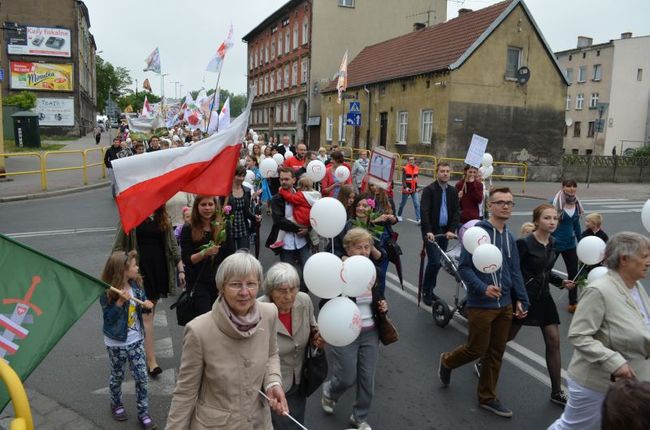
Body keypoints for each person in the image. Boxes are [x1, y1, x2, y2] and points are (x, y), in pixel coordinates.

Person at [166, 252, 288, 429]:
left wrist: (273, 382)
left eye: (251, 284)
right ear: (221, 287)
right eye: (236, 284)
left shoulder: (269, 313)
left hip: (259, 423)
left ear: (259, 285)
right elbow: (185, 393)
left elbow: (271, 354)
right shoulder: (199, 330)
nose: (244, 292)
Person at [438, 187, 529, 418]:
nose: (506, 206)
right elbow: (465, 268)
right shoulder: (478, 233)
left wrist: (521, 299)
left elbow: (514, 270)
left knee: (496, 352)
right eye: (500, 202)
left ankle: (487, 397)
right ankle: (447, 362)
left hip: (506, 304)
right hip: (481, 305)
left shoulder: (509, 236)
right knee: (476, 348)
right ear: (490, 206)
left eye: (510, 202)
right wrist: (483, 287)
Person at [549, 232, 650, 430]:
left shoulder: (636, 286)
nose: (648, 262)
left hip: (635, 379)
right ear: (624, 259)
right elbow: (578, 335)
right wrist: (614, 362)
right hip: (598, 383)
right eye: (645, 256)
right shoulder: (599, 290)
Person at [321, 228, 388, 430]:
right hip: (345, 332)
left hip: (370, 332)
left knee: (367, 380)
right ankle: (330, 391)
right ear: (348, 249)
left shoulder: (373, 271)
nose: (364, 251)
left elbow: (378, 296)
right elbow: (324, 303)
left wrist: (383, 304)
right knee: (347, 377)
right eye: (358, 247)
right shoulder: (339, 274)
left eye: (367, 247)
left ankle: (359, 417)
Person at [507, 203, 575, 405]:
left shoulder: (553, 243)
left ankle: (556, 391)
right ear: (536, 221)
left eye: (555, 218)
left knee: (553, 341)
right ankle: (485, 360)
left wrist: (560, 282)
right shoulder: (524, 244)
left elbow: (545, 271)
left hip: (543, 297)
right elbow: (514, 273)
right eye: (547, 218)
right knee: (507, 336)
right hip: (524, 297)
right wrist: (518, 299)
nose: (552, 221)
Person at [112, 206, 183, 377]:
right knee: (146, 315)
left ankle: (139, 347)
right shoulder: (130, 216)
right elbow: (117, 248)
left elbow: (172, 245)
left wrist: (180, 269)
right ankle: (151, 361)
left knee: (147, 313)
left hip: (158, 271)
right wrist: (118, 274)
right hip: (137, 273)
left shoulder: (162, 215)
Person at [258, 263, 324, 430]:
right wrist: (272, 384)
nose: (288, 295)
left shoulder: (304, 301)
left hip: (299, 379)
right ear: (270, 291)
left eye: (292, 289)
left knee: (297, 423)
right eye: (281, 290)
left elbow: (312, 327)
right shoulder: (259, 310)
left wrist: (318, 339)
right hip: (272, 386)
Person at [100, 251, 156, 429]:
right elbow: (109, 319)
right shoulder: (108, 292)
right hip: (116, 344)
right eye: (133, 265)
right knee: (117, 376)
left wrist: (146, 306)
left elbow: (141, 307)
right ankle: (116, 403)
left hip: (136, 341)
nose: (137, 267)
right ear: (123, 270)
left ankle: (143, 412)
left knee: (141, 378)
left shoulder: (137, 285)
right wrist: (119, 303)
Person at [180, 196, 234, 316]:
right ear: (197, 207)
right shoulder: (188, 228)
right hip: (198, 281)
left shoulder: (224, 226)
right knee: (205, 318)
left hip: (220, 282)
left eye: (210, 204)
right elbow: (187, 260)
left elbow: (230, 254)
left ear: (215, 206)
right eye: (203, 205)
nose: (207, 208)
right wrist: (204, 253)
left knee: (222, 319)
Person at [420, 162, 460, 305]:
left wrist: (451, 230)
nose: (445, 173)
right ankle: (426, 291)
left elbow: (456, 212)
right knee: (434, 261)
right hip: (432, 232)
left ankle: (431, 289)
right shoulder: (429, 190)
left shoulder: (453, 191)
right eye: (442, 171)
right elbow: (424, 212)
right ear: (436, 172)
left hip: (445, 232)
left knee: (439, 263)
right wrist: (428, 231)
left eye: (447, 171)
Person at [266, 168, 312, 288]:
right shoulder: (276, 199)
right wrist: (299, 229)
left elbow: (312, 215)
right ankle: (290, 296)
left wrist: (308, 229)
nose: (283, 182)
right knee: (287, 275)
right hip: (285, 242)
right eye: (281, 179)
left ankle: (302, 293)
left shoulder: (304, 195)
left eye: (287, 179)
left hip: (302, 241)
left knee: (308, 270)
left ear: (294, 180)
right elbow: (279, 221)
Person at [551, 179, 583, 313]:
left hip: (570, 244)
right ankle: (538, 297)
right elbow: (546, 220)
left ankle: (573, 302)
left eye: (573, 186)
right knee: (543, 270)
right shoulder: (554, 203)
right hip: (554, 242)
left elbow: (576, 225)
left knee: (573, 273)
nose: (571, 189)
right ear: (563, 187)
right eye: (568, 186)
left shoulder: (576, 204)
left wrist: (581, 241)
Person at [271, 175, 321, 250]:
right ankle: (315, 243)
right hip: (309, 220)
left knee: (286, 222)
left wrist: (282, 191)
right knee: (313, 232)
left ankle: (278, 241)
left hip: (300, 219)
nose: (298, 187)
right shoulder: (315, 195)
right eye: (282, 179)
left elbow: (290, 198)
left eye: (299, 185)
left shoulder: (302, 195)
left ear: (303, 187)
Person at [228, 165, 261, 251]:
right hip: (229, 229)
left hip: (243, 227)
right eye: (239, 175)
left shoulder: (247, 191)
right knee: (230, 256)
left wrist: (255, 218)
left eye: (243, 176)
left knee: (244, 254)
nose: (241, 178)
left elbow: (246, 212)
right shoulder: (226, 192)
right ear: (233, 175)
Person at [397, 156, 421, 223]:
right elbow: (403, 180)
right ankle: (399, 215)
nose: (411, 161)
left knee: (417, 204)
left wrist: (417, 187)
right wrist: (405, 187)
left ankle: (418, 219)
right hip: (406, 189)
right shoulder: (405, 168)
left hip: (414, 190)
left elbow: (416, 179)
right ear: (408, 161)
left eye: (412, 160)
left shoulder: (417, 168)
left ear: (414, 161)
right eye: (410, 160)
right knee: (403, 204)